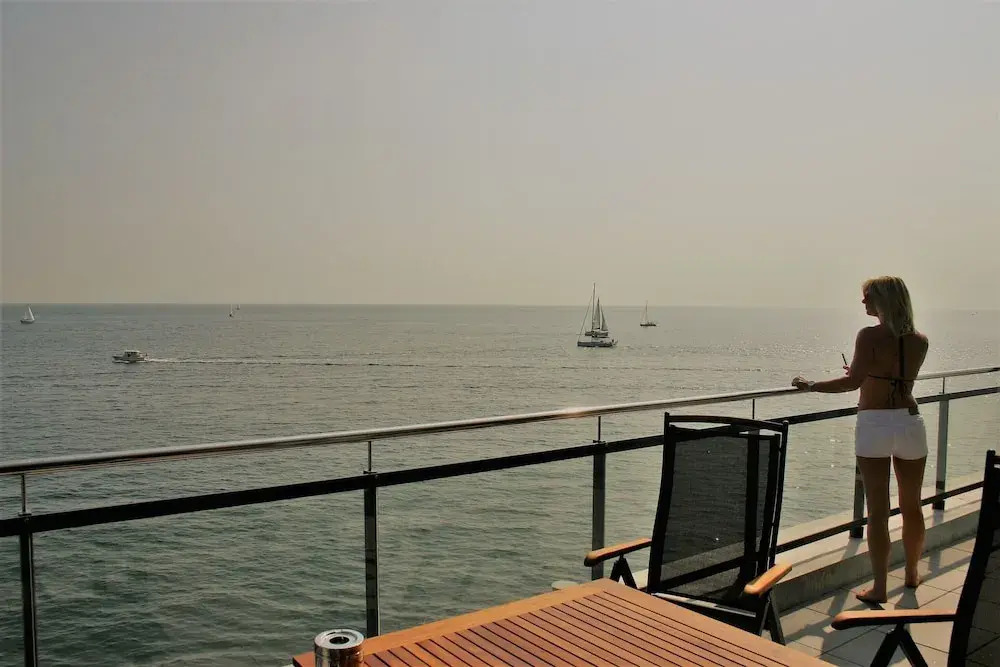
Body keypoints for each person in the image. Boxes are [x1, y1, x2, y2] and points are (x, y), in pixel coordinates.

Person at [792, 276, 929, 603]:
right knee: (912, 505)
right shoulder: (920, 340)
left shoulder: (868, 335)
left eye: (868, 297)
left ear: (883, 300)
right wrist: (864, 372)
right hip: (910, 422)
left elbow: (852, 383)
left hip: (874, 423)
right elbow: (894, 376)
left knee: (878, 510)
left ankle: (880, 588)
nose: (863, 302)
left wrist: (810, 385)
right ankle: (911, 573)